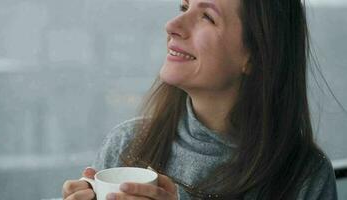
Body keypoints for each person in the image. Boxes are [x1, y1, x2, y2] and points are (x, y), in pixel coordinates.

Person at [62, 0, 338, 199]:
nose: (172, 26)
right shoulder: (126, 142)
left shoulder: (305, 177)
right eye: (184, 7)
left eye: (206, 16)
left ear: (255, 55)